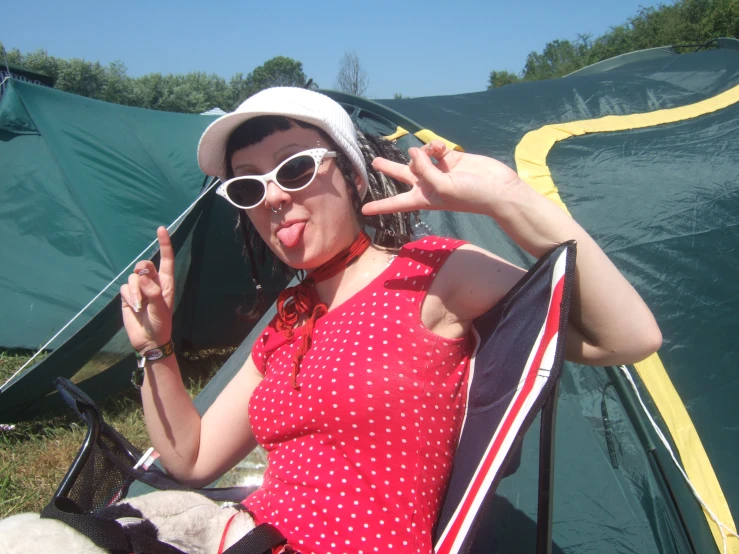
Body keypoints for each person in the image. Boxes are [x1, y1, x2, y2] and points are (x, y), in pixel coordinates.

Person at [119, 87, 661, 554]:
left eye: (295, 167)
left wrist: (506, 197)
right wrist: (155, 348)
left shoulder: (433, 275)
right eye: (248, 186)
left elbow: (630, 338)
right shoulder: (289, 322)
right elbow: (191, 459)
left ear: (353, 176)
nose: (275, 197)